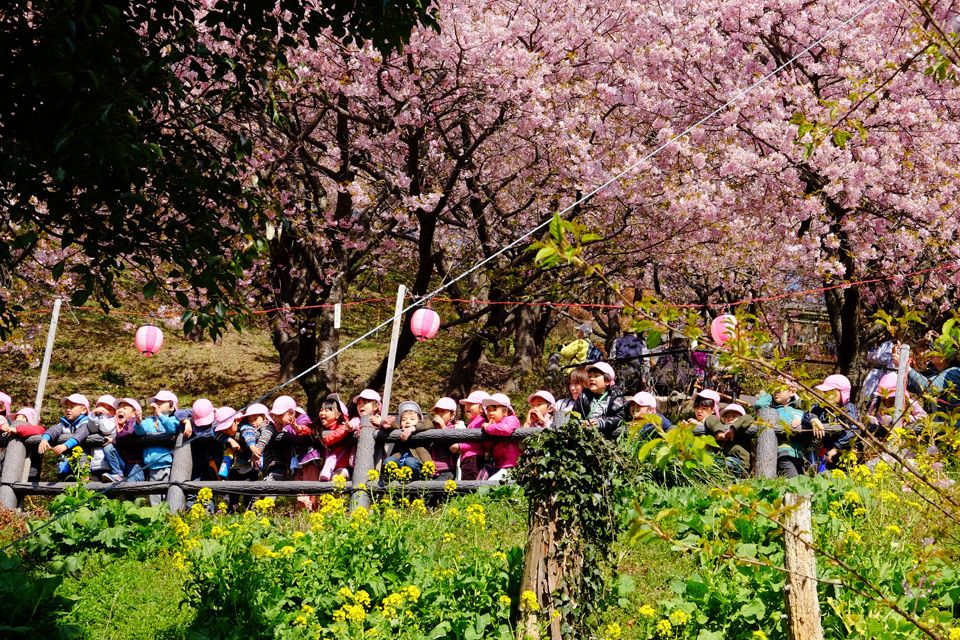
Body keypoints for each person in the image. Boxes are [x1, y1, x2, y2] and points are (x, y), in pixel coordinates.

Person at [803, 374, 859, 471]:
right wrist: (813, 419)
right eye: (825, 392)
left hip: (844, 452)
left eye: (831, 392)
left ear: (842, 393)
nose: (826, 395)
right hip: (826, 450)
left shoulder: (848, 409)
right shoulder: (823, 406)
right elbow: (807, 414)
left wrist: (836, 448)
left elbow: (854, 429)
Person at [135, 390, 180, 502]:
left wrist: (160, 415)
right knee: (154, 495)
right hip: (152, 465)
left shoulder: (172, 419)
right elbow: (140, 432)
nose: (157, 404)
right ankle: (156, 516)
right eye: (156, 402)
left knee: (168, 493)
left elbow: (172, 428)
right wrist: (139, 422)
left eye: (161, 403)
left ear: (171, 407)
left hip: (167, 464)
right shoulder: (149, 420)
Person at [38, 393, 92, 479]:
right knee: (66, 481)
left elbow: (79, 435)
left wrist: (65, 445)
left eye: (72, 407)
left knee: (82, 478)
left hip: (82, 458)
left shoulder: (86, 423)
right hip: (67, 459)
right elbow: (55, 429)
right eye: (66, 407)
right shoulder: (64, 423)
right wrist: (45, 439)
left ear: (84, 410)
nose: (68, 409)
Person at [572, 362, 628, 438]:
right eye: (589, 376)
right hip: (587, 432)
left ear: (607, 381)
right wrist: (582, 423)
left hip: (607, 433)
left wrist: (601, 423)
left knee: (621, 430)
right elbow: (575, 413)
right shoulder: (584, 395)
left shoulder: (615, 395)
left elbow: (620, 417)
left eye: (596, 376)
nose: (591, 379)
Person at [864, 372, 926, 439]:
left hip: (906, 429)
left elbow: (923, 416)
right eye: (884, 400)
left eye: (891, 401)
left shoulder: (909, 402)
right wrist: (876, 420)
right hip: (886, 429)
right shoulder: (877, 403)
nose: (887, 403)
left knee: (918, 428)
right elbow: (869, 415)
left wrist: (908, 419)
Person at [382, 401, 432, 479]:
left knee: (409, 461)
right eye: (404, 420)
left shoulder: (422, 428)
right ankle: (391, 478)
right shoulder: (400, 430)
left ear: (419, 421)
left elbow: (429, 423)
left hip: (418, 465)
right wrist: (388, 424)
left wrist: (413, 428)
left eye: (412, 419)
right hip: (400, 465)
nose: (408, 421)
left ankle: (417, 478)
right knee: (388, 461)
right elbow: (393, 426)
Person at [480, 393, 521, 482]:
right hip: (499, 464)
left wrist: (488, 427)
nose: (490, 413)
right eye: (488, 410)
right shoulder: (494, 425)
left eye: (494, 410)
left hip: (511, 465)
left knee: (492, 483)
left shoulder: (512, 419)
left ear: (505, 411)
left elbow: (506, 429)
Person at [102, 398, 145, 482]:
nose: (120, 410)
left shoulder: (134, 423)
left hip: (135, 465)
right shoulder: (118, 424)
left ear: (134, 413)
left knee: (132, 489)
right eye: (118, 408)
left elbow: (127, 434)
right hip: (124, 462)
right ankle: (117, 474)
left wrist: (114, 439)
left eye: (125, 408)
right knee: (108, 448)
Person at [704, 403, 753, 477]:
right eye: (726, 416)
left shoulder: (744, 428)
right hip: (723, 463)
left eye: (734, 416)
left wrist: (732, 429)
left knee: (726, 461)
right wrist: (720, 432)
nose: (730, 419)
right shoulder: (721, 427)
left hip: (741, 465)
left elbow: (748, 418)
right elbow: (710, 418)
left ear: (741, 418)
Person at [453, 390, 489, 481]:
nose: (466, 407)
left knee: (469, 481)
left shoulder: (479, 422)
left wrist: (460, 446)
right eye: (466, 405)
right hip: (469, 457)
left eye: (470, 404)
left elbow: (476, 442)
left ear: (481, 408)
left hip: (473, 457)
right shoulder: (474, 421)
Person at [318, 394, 354, 481]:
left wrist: (324, 440)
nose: (322, 413)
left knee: (336, 482)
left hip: (341, 467)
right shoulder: (320, 428)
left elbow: (341, 431)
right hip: (325, 468)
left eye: (327, 410)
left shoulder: (345, 425)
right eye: (321, 410)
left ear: (338, 414)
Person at [426, 397, 458, 481]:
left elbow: (453, 444)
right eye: (437, 411)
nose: (439, 414)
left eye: (443, 411)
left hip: (447, 469)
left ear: (452, 415)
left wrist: (443, 426)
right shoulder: (432, 428)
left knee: (439, 489)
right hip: (432, 469)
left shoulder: (453, 428)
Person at [87, 395, 119, 478]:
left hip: (109, 463)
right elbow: (92, 429)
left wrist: (103, 416)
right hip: (96, 462)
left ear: (115, 411)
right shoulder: (97, 419)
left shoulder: (114, 420)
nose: (105, 411)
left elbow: (106, 430)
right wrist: (93, 415)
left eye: (109, 409)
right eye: (102, 407)